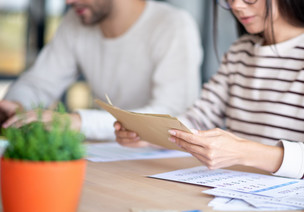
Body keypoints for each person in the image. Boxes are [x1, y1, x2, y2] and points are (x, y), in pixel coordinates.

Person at [114, 0, 304, 184]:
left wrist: (243, 151)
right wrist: (148, 135)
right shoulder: (240, 51)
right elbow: (197, 120)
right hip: (234, 192)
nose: (236, 6)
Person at [0, 0, 202, 140]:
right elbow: (38, 83)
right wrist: (17, 106)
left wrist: (77, 121)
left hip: (164, 162)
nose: (68, 1)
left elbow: (172, 115)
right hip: (107, 154)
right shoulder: (76, 21)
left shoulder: (173, 24)